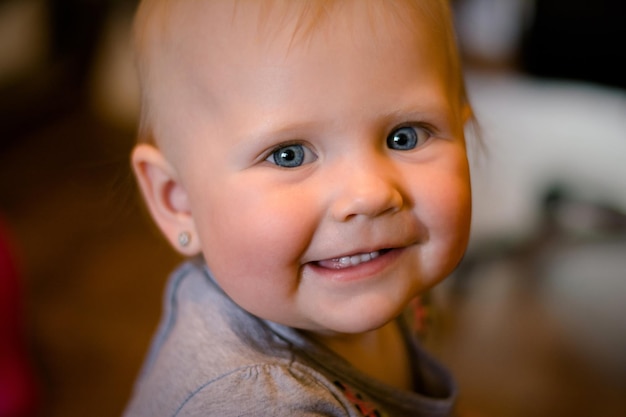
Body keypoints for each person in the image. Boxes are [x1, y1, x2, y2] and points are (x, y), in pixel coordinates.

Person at [124, 0, 474, 415]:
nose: (370, 194)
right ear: (177, 200)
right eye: (289, 154)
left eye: (405, 137)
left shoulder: (381, 269)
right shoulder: (252, 403)